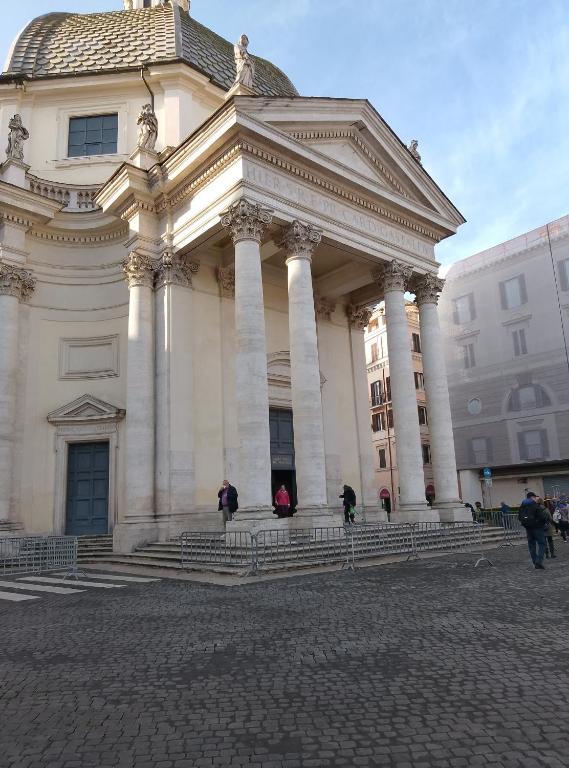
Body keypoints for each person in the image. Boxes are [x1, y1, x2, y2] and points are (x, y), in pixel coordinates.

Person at [518, 491, 547, 570]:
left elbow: (519, 517)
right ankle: (539, 561)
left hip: (528, 528)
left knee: (531, 545)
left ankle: (535, 561)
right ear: (532, 497)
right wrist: (543, 524)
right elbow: (542, 517)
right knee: (542, 544)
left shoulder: (522, 506)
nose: (535, 499)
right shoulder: (535, 505)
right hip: (537, 528)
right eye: (534, 497)